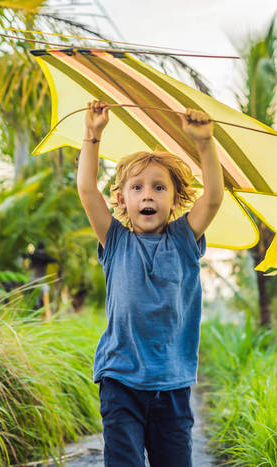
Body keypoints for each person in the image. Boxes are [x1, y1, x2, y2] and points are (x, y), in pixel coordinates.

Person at [76, 99, 224, 466]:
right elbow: (87, 191)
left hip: (172, 383)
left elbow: (214, 198)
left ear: (175, 200)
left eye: (159, 188)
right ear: (122, 200)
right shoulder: (116, 240)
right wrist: (92, 136)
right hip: (120, 379)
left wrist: (204, 142)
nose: (147, 195)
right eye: (137, 187)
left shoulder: (184, 239)